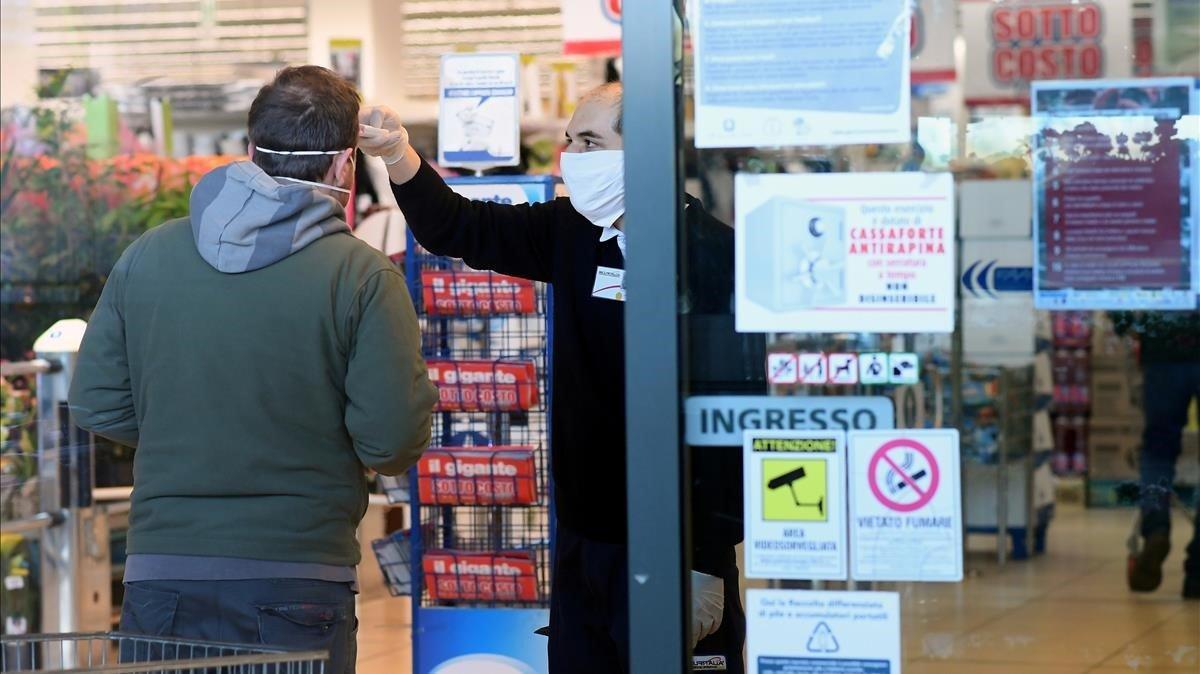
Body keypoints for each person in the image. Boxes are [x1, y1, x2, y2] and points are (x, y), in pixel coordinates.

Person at [359, 82, 748, 673]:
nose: (573, 156)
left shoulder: (716, 257)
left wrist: (707, 558)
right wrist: (397, 155)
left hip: (678, 545)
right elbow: (460, 227)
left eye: (590, 141)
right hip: (583, 539)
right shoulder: (573, 230)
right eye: (570, 141)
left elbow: (729, 418)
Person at [68, 65, 438, 671]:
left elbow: (97, 403)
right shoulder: (362, 275)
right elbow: (391, 440)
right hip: (298, 575)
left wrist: (191, 428)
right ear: (345, 166)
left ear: (248, 151)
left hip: (163, 574)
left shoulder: (150, 255)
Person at [1115, 310, 1200, 600]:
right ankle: (1198, 571)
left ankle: (1155, 528)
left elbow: (1120, 287)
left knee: (1157, 451)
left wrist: (1127, 324)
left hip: (1163, 354)